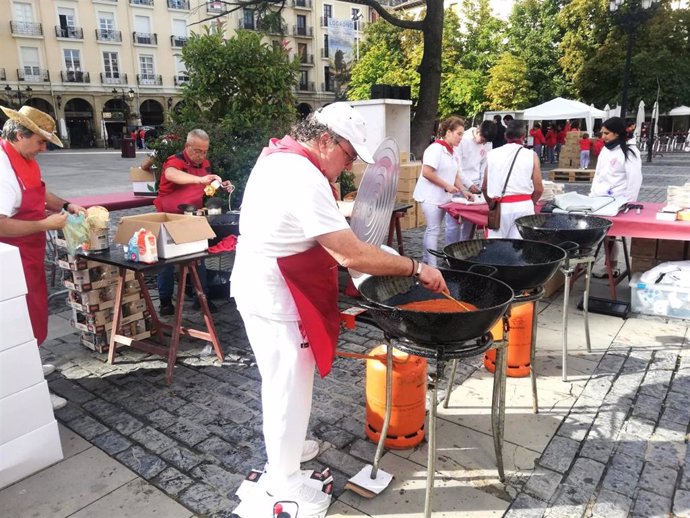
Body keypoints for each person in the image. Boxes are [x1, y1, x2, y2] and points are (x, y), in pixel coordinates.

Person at [230, 102, 447, 516]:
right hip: (276, 296)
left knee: (286, 383)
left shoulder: (281, 155)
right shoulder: (302, 175)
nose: (348, 168)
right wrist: (415, 266)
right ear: (325, 139)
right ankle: (283, 479)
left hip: (267, 287)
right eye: (348, 156)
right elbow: (349, 254)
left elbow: (327, 230)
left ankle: (288, 453)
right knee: (286, 388)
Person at [0, 106, 86, 410]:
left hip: (29, 252)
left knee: (34, 313)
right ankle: (28, 391)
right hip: (9, 261)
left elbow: (39, 192)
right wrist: (44, 224)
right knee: (16, 322)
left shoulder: (23, 157)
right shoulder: (3, 168)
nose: (44, 147)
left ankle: (31, 366)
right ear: (20, 135)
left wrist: (67, 204)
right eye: (40, 141)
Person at [153, 129, 233, 315]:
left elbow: (205, 188)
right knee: (166, 260)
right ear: (187, 147)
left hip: (192, 216)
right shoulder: (175, 161)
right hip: (169, 217)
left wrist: (219, 185)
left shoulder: (204, 163)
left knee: (199, 258)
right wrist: (200, 180)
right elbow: (173, 175)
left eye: (205, 151)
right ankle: (165, 301)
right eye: (198, 151)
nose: (202, 155)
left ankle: (201, 297)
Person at [413, 116, 474, 266]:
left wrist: (463, 191)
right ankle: (432, 265)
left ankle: (427, 259)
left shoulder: (453, 152)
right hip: (431, 196)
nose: (461, 138)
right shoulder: (435, 149)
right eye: (459, 134)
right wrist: (446, 185)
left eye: (462, 134)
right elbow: (427, 172)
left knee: (433, 230)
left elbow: (456, 174)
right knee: (433, 230)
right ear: (448, 132)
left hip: (444, 196)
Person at [590, 117, 642, 277]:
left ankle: (611, 265)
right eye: (602, 133)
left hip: (617, 202)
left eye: (606, 133)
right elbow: (598, 174)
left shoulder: (630, 152)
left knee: (611, 234)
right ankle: (592, 263)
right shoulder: (606, 149)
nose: (603, 136)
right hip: (599, 199)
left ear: (617, 133)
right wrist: (591, 195)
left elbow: (635, 179)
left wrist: (628, 202)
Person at [482, 120, 543, 239]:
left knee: (496, 248)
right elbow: (539, 189)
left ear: (505, 136)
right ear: (523, 137)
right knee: (520, 248)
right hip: (523, 207)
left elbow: (484, 186)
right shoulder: (531, 155)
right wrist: (530, 203)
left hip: (500, 207)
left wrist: (492, 204)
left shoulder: (492, 154)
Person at [456, 120, 495, 240]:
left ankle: (465, 245)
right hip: (459, 182)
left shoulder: (488, 144)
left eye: (486, 141)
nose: (483, 143)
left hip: (476, 182)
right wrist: (468, 184)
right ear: (478, 131)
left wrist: (484, 182)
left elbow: (484, 165)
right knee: (454, 222)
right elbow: (457, 166)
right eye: (482, 139)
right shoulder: (463, 139)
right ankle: (451, 251)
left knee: (470, 220)